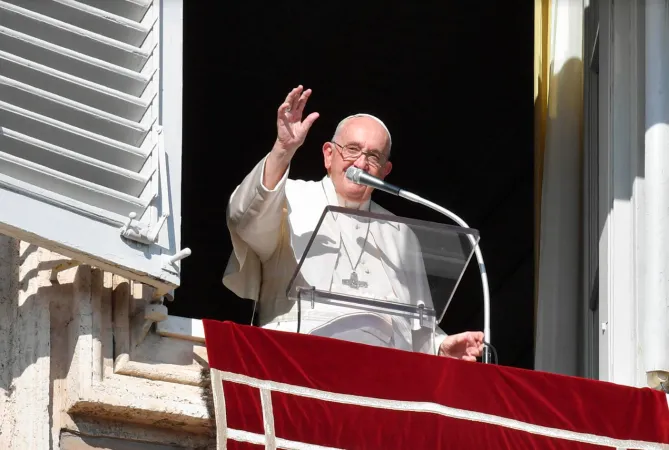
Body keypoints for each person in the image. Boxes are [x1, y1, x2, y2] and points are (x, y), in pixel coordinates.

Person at [224, 85, 484, 361]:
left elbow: (416, 325)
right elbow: (244, 219)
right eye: (352, 150)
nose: (360, 164)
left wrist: (440, 347)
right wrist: (282, 150)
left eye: (373, 156)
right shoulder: (290, 197)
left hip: (383, 371)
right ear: (328, 154)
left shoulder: (400, 233)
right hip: (296, 357)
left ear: (385, 171)